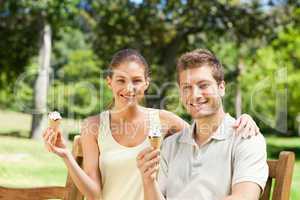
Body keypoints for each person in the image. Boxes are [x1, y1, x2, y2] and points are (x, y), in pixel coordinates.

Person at [42, 49, 260, 200]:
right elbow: (95, 194)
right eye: (121, 80)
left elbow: (204, 133)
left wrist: (242, 120)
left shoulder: (166, 123)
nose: (129, 88)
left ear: (146, 83)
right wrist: (66, 155)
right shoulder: (94, 125)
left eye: (136, 80)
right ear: (109, 82)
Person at [137, 49, 268, 200]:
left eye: (203, 85)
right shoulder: (171, 145)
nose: (195, 95)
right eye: (187, 87)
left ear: (221, 88)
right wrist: (148, 180)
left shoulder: (246, 138)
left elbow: (245, 197)